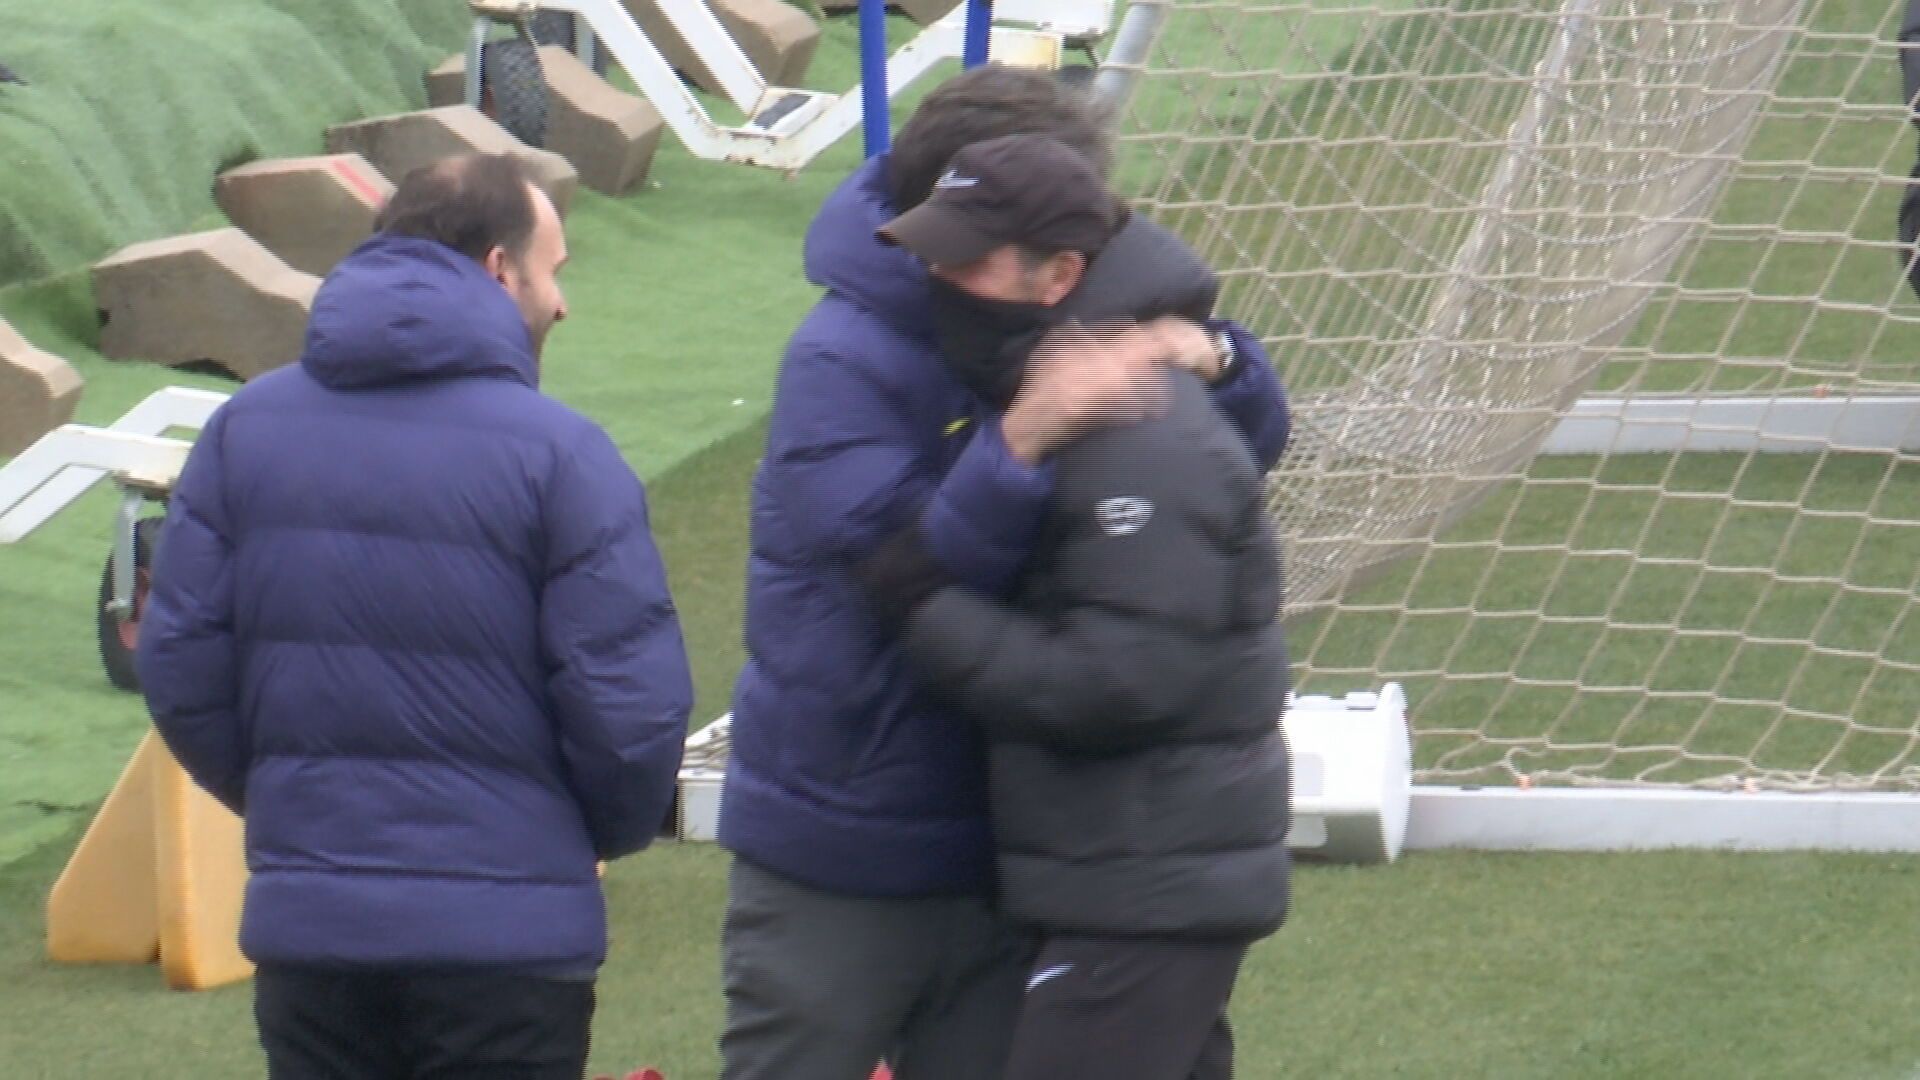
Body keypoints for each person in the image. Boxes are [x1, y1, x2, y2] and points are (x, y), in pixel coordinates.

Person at [717, 65, 1292, 1080]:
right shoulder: (841, 358)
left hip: (1006, 846)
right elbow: (907, 573)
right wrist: (1020, 444)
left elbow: (1219, 456)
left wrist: (1218, 360)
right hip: (846, 841)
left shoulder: (1040, 311)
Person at [137, 153, 693, 1079]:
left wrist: (296, 801)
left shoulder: (244, 431)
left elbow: (183, 670)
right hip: (508, 943)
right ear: (496, 269)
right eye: (553, 271)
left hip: (313, 933)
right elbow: (629, 712)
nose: (562, 304)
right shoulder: (564, 456)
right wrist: (573, 839)